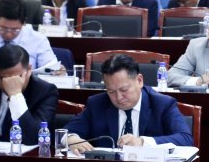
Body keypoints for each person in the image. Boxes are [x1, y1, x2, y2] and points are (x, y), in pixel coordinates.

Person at [65, 54, 193, 151]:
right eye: (111, 91)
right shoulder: (97, 104)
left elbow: (185, 139)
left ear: (139, 81)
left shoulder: (162, 104)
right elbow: (65, 133)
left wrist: (142, 142)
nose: (119, 97)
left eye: (124, 90)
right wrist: (71, 139)